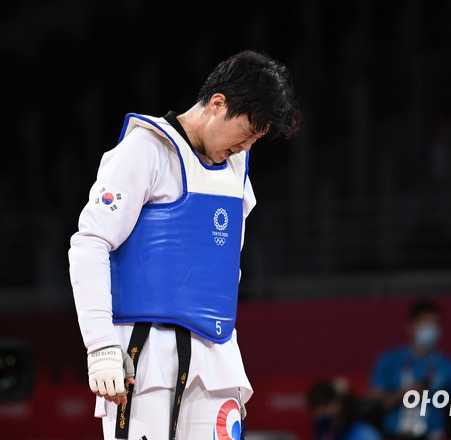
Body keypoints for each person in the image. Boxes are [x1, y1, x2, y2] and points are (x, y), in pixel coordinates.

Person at [68, 50, 301, 440]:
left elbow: (226, 266)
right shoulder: (146, 149)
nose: (245, 148)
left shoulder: (237, 168)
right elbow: (89, 243)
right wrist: (101, 346)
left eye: (255, 140)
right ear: (217, 104)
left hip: (216, 361)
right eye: (245, 133)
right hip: (145, 358)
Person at [368, 299, 451, 440]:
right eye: (425, 325)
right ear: (410, 326)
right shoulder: (389, 360)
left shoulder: (449, 366)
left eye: (434, 325)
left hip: (434, 435)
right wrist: (403, 395)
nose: (430, 329)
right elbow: (374, 405)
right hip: (394, 435)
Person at [307, 381, 383, 440]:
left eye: (324, 407)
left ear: (337, 404)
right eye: (315, 410)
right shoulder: (325, 432)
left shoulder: (364, 432)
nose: (319, 414)